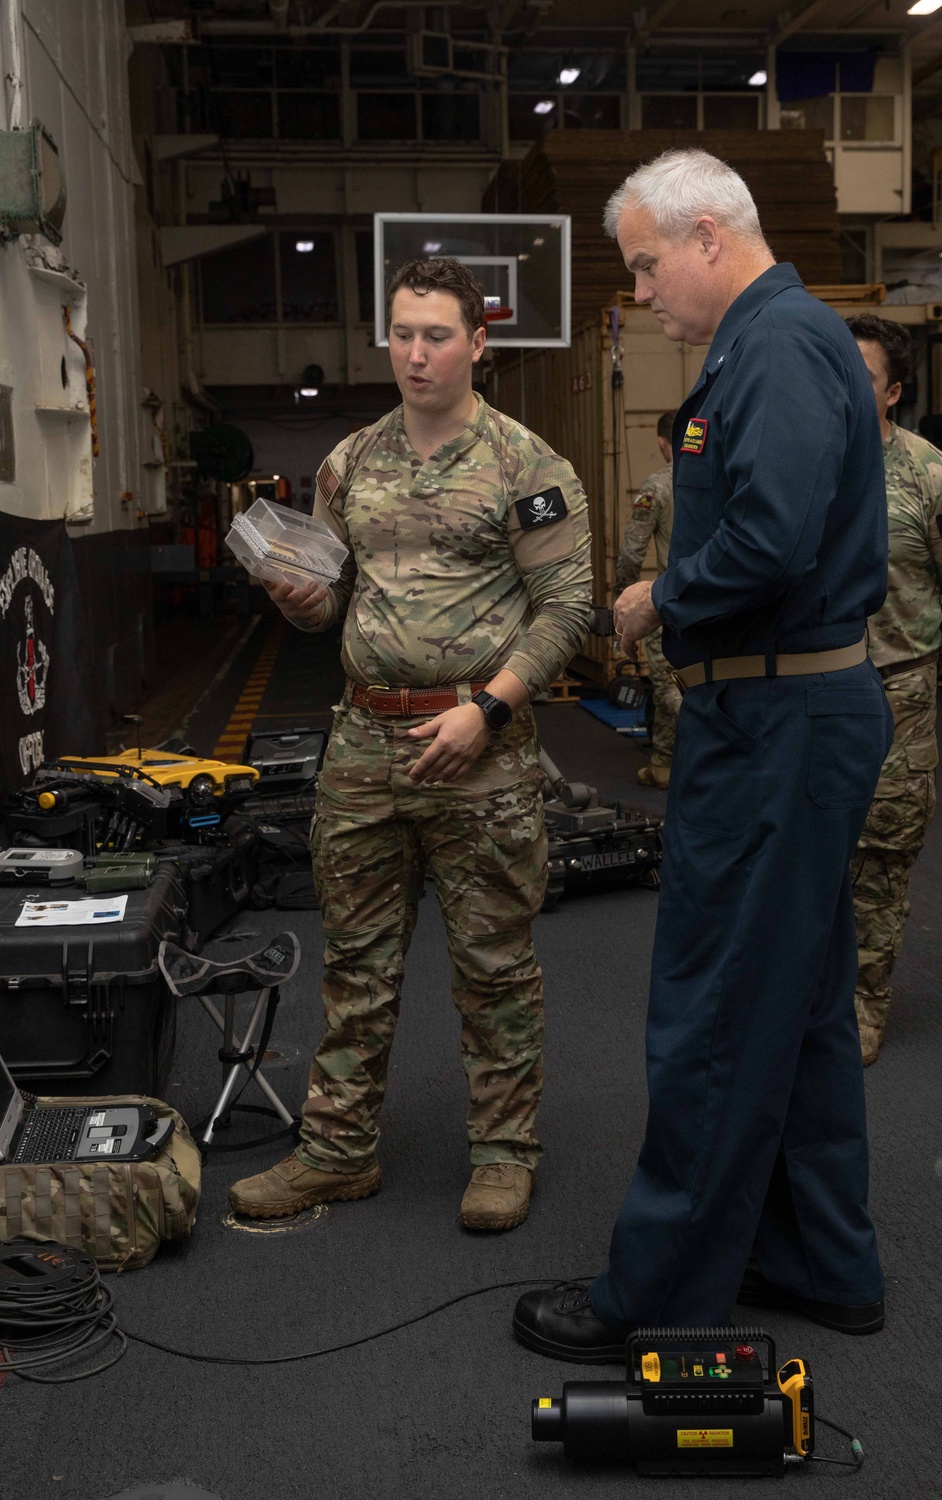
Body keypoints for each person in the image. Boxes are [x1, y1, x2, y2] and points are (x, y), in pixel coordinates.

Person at [513, 147, 895, 1360]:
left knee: (719, 1007)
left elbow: (772, 542)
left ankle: (662, 1290)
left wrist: (659, 597)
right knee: (800, 1006)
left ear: (707, 239)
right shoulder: (779, 340)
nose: (639, 294)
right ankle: (818, 1256)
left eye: (642, 265)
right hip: (789, 718)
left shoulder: (774, 345)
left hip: (774, 726)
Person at [229, 257, 592, 1232]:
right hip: (364, 745)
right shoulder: (349, 463)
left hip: (481, 747)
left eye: (436, 334)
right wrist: (302, 600)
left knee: (493, 963)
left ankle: (505, 1153)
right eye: (401, 332)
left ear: (477, 344)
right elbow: (330, 606)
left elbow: (566, 608)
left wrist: (489, 708)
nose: (416, 352)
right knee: (352, 959)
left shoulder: (527, 465)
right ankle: (339, 1150)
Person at [846, 316, 942, 1067]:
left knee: (879, 861)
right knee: (796, 857)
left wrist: (914, 640)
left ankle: (865, 1002)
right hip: (802, 697)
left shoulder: (935, 478)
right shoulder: (794, 463)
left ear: (895, 392)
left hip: (892, 699)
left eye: (863, 376)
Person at [615, 411, 682, 788]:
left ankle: (665, 764)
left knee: (667, 684)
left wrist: (625, 593)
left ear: (661, 443)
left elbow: (631, 551)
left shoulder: (657, 487)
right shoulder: (720, 477)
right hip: (719, 597)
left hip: (669, 602)